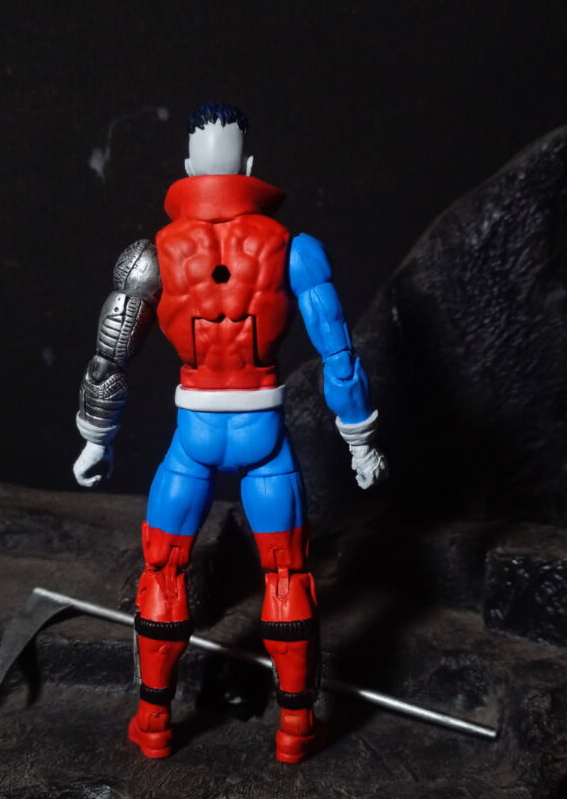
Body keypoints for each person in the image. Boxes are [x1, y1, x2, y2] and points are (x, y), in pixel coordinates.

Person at [73, 102, 386, 763]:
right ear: (248, 165)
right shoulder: (294, 250)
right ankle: (296, 729)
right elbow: (338, 352)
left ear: (189, 167)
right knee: (287, 572)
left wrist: (96, 437)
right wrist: (359, 439)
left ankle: (153, 725)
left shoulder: (151, 256)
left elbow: (110, 356)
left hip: (194, 434)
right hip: (262, 432)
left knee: (164, 568)